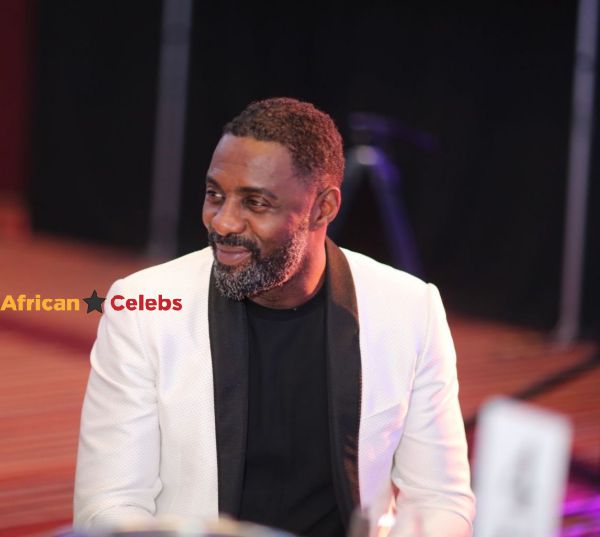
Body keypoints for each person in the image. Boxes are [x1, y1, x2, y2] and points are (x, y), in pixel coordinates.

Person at [74, 97, 475, 536]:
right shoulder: (141, 308)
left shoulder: (410, 308)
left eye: (256, 203)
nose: (223, 223)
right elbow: (108, 507)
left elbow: (440, 498)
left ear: (323, 208)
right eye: (215, 195)